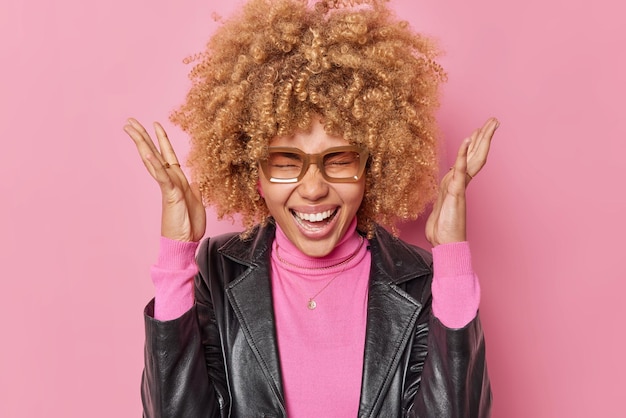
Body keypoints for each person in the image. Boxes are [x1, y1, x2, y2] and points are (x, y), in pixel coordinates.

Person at [124, 0, 498, 416]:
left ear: (370, 168)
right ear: (256, 175)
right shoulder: (216, 270)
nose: (314, 188)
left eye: (339, 159)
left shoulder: (424, 282)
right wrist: (176, 259)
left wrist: (453, 264)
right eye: (285, 162)